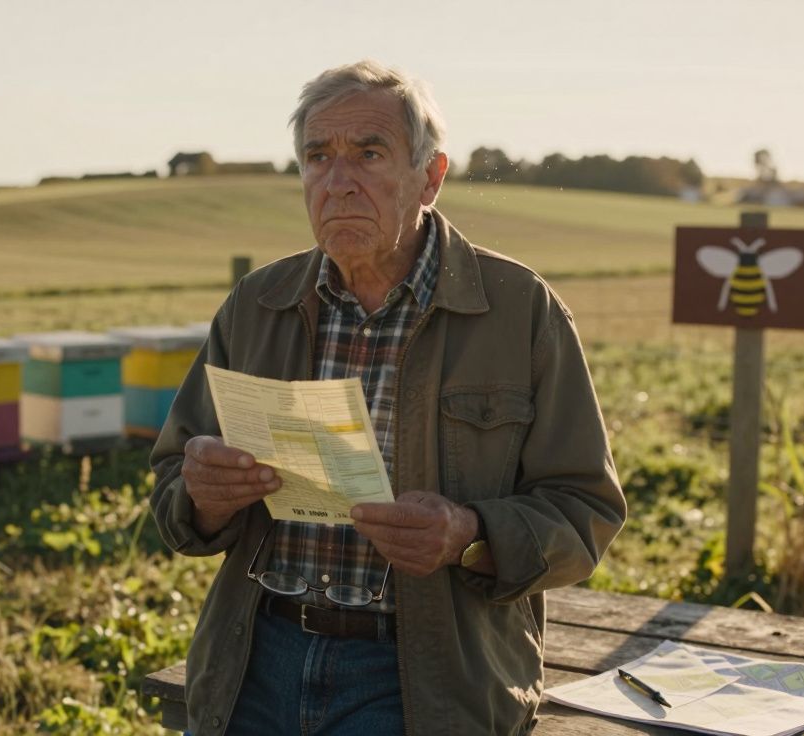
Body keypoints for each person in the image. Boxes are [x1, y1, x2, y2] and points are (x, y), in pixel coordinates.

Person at [150, 59, 626, 736]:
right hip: (255, 658)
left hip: (424, 678)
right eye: (318, 156)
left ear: (430, 177)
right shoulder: (258, 305)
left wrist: (468, 535)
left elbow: (585, 514)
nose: (338, 182)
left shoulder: (519, 310)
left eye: (369, 154)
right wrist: (202, 493)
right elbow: (174, 488)